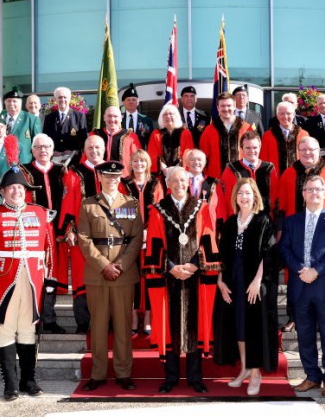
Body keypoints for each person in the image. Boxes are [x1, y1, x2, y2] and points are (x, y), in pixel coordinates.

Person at [0, 166, 58, 401]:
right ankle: (10, 384)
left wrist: (51, 278)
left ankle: (28, 380)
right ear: (3, 191)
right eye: (11, 188)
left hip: (32, 280)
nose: (16, 191)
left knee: (29, 329)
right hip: (2, 281)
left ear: (26, 191)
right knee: (6, 329)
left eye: (20, 188)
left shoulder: (41, 213)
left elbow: (50, 249)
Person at [143, 167, 220, 394]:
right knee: (171, 326)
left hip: (195, 276)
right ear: (167, 184)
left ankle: (196, 377)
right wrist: (171, 268)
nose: (179, 184)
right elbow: (155, 241)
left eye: (183, 180)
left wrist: (195, 265)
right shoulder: (158, 210)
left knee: (196, 325)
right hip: (171, 278)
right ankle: (171, 377)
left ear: (189, 182)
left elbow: (208, 236)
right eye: (175, 181)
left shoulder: (201, 207)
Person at [77, 161, 144, 392]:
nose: (111, 180)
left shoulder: (131, 204)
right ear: (100, 178)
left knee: (124, 325)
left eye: (115, 177)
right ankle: (98, 373)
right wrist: (104, 265)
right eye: (107, 176)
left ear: (120, 179)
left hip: (123, 274)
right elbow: (84, 240)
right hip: (97, 274)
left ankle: (124, 373)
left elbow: (136, 239)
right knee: (98, 325)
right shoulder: (88, 205)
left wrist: (121, 265)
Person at [279, 175, 325, 397]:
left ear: (324, 193)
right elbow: (285, 249)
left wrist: (315, 271)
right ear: (303, 194)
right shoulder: (292, 221)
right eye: (309, 189)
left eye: (318, 189)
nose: (314, 193)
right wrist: (301, 269)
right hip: (300, 286)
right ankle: (312, 376)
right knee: (305, 334)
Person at [276, 135, 325, 333]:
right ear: (297, 152)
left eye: (312, 150)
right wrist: (280, 233)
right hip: (296, 238)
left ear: (319, 151)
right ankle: (294, 316)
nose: (308, 153)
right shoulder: (288, 173)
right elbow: (280, 207)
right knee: (295, 277)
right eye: (304, 150)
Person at [214, 179, 278, 396]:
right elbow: (222, 255)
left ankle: (256, 373)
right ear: (235, 197)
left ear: (255, 196)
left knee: (253, 327)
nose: (244, 197)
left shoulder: (263, 221)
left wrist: (257, 281)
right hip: (233, 282)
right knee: (239, 327)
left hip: (254, 283)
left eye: (248, 193)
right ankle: (244, 369)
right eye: (240, 193)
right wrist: (220, 280)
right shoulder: (230, 223)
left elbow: (267, 254)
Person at [58, 135, 106, 334]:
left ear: (103, 149)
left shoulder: (113, 171)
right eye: (90, 148)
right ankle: (84, 321)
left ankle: (107, 321)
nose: (94, 151)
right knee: (81, 278)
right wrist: (69, 230)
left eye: (97, 147)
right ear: (85, 150)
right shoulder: (74, 173)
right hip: (83, 237)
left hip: (108, 238)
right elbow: (68, 202)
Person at [22, 133, 69, 334]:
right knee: (33, 274)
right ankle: (32, 318)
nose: (43, 150)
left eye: (47, 146)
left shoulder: (62, 171)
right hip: (33, 230)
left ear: (53, 150)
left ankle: (49, 318)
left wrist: (66, 227)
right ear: (32, 150)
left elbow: (68, 199)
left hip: (56, 230)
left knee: (52, 274)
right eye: (39, 147)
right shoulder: (25, 171)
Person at [118, 150, 165, 336]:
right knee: (132, 278)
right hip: (129, 238)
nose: (139, 164)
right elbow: (119, 210)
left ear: (148, 163)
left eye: (142, 161)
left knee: (150, 277)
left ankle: (147, 317)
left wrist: (149, 231)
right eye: (135, 161)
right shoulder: (124, 184)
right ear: (131, 164)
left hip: (152, 237)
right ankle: (133, 316)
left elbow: (160, 209)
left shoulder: (156, 183)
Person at [219, 131, 279, 219]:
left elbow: (276, 198)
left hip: (265, 223)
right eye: (248, 148)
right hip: (239, 223)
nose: (252, 151)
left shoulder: (269, 169)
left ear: (260, 147)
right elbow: (225, 200)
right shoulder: (231, 170)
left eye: (255, 147)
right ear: (241, 149)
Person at [199, 92, 253, 178]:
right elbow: (203, 157)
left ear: (234, 106)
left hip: (241, 179)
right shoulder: (209, 130)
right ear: (217, 108)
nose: (226, 109)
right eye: (223, 106)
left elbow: (252, 154)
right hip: (216, 180)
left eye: (229, 105)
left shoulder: (246, 128)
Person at [260, 101, 309, 176]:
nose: (285, 117)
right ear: (277, 115)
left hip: (297, 179)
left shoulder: (303, 135)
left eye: (288, 113)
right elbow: (263, 160)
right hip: (275, 180)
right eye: (282, 113)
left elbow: (307, 158)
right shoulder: (268, 135)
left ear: (294, 115)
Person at [90, 105, 141, 176]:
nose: (112, 119)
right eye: (109, 116)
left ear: (121, 118)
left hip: (123, 180)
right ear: (104, 117)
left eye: (115, 116)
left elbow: (138, 159)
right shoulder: (94, 135)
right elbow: (86, 158)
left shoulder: (130, 136)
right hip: (98, 178)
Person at [42, 86, 88, 164]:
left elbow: (83, 139)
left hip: (73, 160)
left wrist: (73, 151)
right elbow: (45, 139)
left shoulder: (79, 116)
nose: (62, 100)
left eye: (65, 97)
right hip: (54, 160)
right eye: (60, 97)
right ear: (56, 99)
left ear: (69, 99)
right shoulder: (49, 118)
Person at [146, 104, 195, 175]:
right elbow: (152, 154)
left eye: (171, 114)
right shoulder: (156, 134)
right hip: (161, 173)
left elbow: (188, 153)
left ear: (177, 116)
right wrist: (163, 168)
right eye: (165, 114)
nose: (168, 116)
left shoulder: (185, 133)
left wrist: (177, 168)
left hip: (181, 172)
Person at [1, 89, 42, 164]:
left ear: (20, 103)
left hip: (24, 163)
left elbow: (38, 144)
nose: (11, 104)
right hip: (2, 163)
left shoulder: (31, 119)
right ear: (5, 103)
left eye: (14, 101)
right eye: (9, 101)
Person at [185, 149, 222, 228]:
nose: (196, 162)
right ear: (187, 163)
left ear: (204, 163)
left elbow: (219, 208)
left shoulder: (214, 183)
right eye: (192, 160)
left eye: (199, 160)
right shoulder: (179, 180)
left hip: (205, 226)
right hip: (184, 225)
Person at [122, 83, 153, 148]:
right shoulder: (119, 120)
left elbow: (150, 141)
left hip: (140, 155)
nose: (131, 102)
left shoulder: (146, 120)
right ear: (123, 102)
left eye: (134, 100)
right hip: (122, 155)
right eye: (128, 100)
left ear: (138, 102)